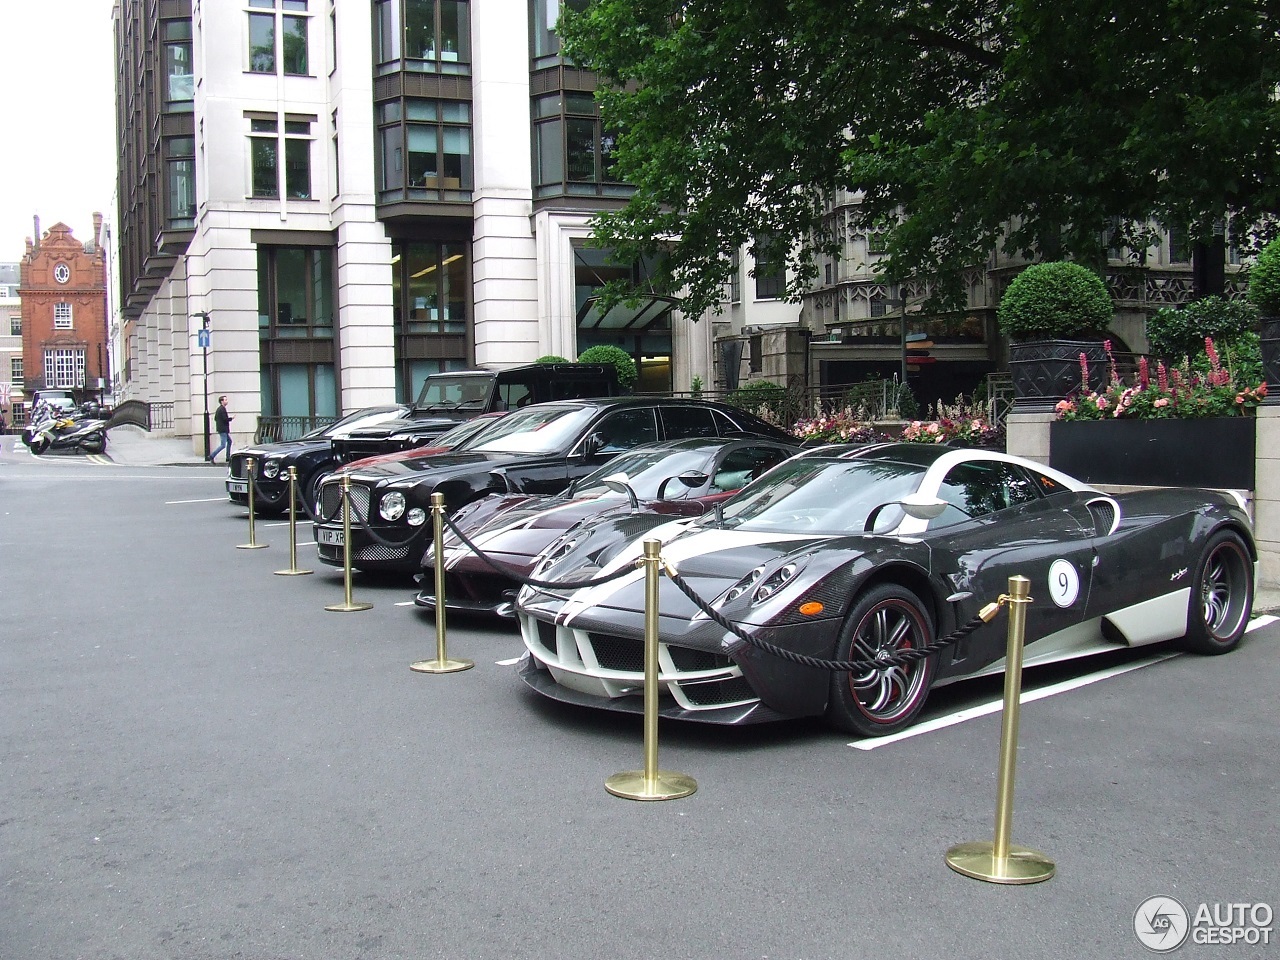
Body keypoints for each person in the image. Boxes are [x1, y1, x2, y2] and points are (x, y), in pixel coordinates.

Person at [208, 395, 233, 463]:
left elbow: (216, 418)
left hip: (222, 429)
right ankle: (212, 456)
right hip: (223, 430)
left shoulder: (219, 409)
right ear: (222, 401)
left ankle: (228, 457)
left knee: (230, 442)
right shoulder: (222, 409)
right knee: (223, 445)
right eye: (225, 400)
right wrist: (231, 418)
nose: (226, 401)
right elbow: (225, 419)